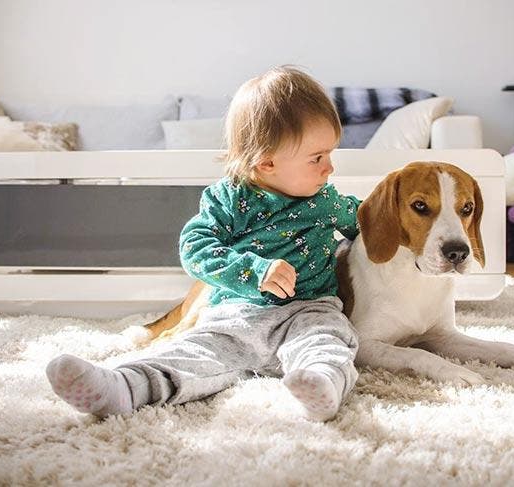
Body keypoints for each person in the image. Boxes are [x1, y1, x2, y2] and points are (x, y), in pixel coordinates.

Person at [46, 66, 361, 422]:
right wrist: (252, 270)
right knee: (188, 354)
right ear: (267, 162)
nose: (329, 168)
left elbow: (370, 226)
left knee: (328, 341)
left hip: (308, 310)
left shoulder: (327, 202)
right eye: (317, 158)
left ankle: (322, 385)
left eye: (330, 154)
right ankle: (120, 387)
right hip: (236, 314)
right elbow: (195, 248)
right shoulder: (228, 200)